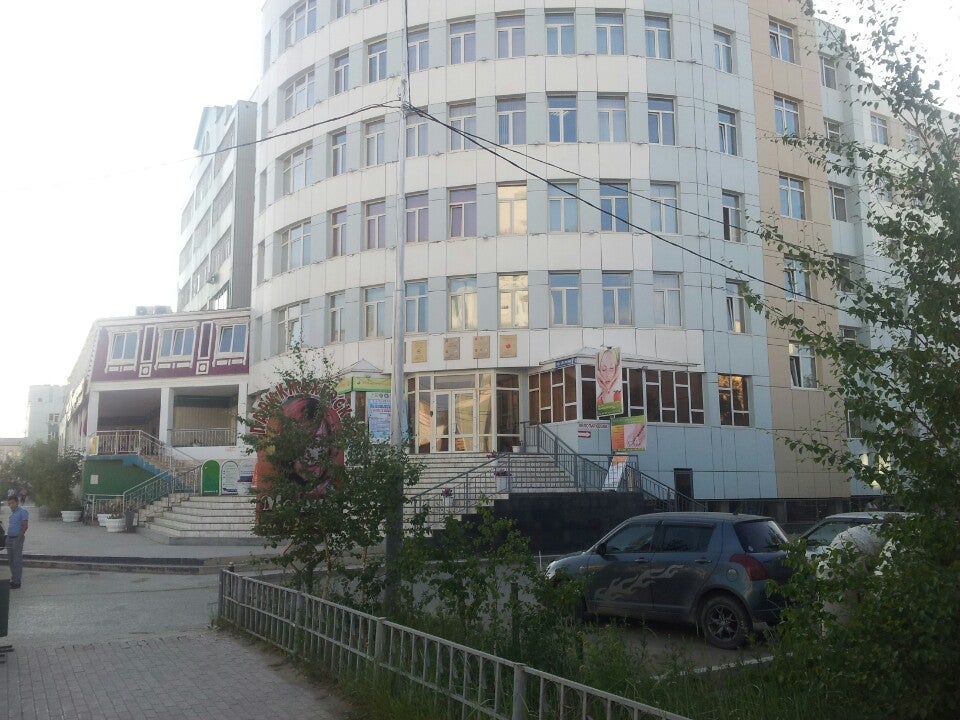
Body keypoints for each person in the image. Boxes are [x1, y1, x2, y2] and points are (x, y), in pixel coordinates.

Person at [6, 494, 29, 589]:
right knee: (11, 561)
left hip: (17, 539)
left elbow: (25, 525)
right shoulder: (13, 513)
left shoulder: (22, 511)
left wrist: (19, 537)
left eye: (12, 503)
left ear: (17, 502)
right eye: (9, 504)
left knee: (17, 561)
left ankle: (17, 582)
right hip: (9, 539)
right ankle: (14, 579)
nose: (11, 505)